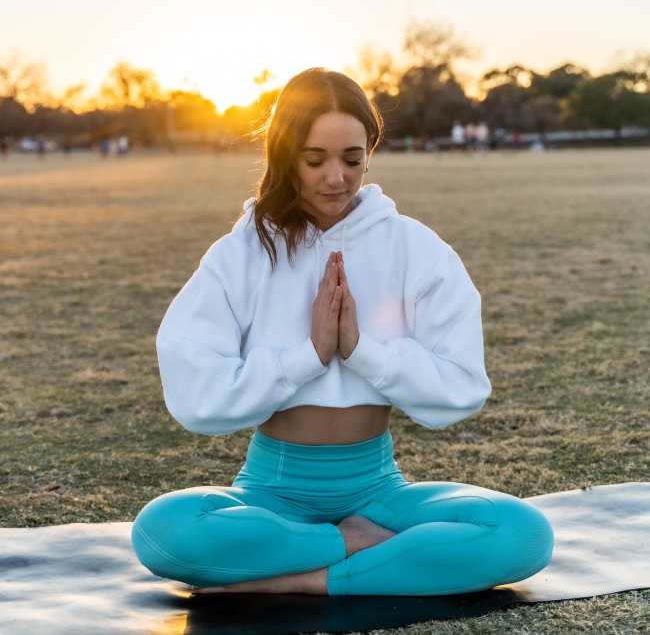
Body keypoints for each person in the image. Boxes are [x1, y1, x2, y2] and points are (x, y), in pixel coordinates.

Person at [132, 68, 553, 596]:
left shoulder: (414, 248)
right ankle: (356, 549)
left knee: (521, 535)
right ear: (285, 155)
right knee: (164, 530)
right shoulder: (241, 253)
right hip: (270, 492)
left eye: (352, 159)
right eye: (315, 160)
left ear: (370, 151)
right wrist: (306, 357)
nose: (336, 177)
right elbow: (196, 395)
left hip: (378, 493)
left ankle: (300, 577)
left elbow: (461, 389)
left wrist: (362, 352)